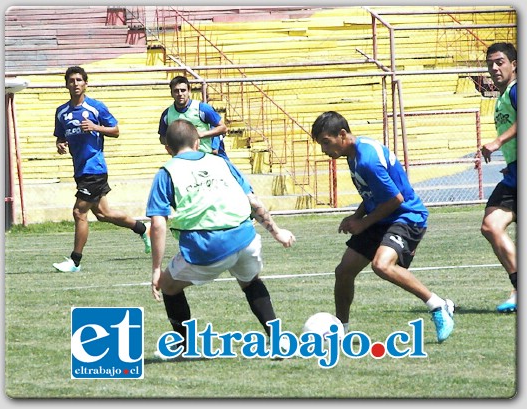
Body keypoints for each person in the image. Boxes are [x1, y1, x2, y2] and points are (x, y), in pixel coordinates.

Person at [147, 119, 295, 355]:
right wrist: (277, 232)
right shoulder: (221, 162)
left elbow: (158, 224)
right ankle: (279, 341)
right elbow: (253, 201)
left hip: (206, 247)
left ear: (167, 148)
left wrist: (156, 268)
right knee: (251, 281)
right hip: (246, 238)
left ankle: (184, 346)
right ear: (198, 143)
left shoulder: (167, 172)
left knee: (168, 285)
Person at [310, 111, 455, 343]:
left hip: (407, 217)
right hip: (384, 217)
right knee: (344, 271)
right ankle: (342, 330)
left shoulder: (367, 160)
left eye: (326, 143)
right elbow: (374, 194)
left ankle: (438, 306)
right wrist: (356, 216)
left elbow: (395, 199)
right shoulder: (353, 154)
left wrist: (363, 223)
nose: (323, 150)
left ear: (342, 134)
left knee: (382, 265)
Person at [52, 66, 151, 273]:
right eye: (72, 80)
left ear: (86, 84)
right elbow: (61, 137)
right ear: (66, 84)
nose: (76, 83)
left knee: (79, 212)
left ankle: (75, 261)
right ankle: (143, 229)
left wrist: (96, 127)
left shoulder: (96, 108)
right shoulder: (62, 112)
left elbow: (115, 130)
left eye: (80, 80)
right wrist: (60, 144)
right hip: (80, 170)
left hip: (94, 168)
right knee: (103, 214)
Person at [480, 42, 517, 313]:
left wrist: (497, 142)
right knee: (491, 226)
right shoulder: (502, 97)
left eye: (500, 62)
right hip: (514, 173)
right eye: (490, 63)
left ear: (514, 64)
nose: (494, 68)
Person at [158, 75, 229, 159]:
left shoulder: (202, 108)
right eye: (176, 91)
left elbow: (223, 128)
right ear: (171, 93)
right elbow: (162, 138)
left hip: (205, 157)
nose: (180, 94)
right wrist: (174, 141)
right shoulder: (167, 114)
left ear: (189, 91)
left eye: (183, 90)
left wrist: (201, 134)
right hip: (182, 159)